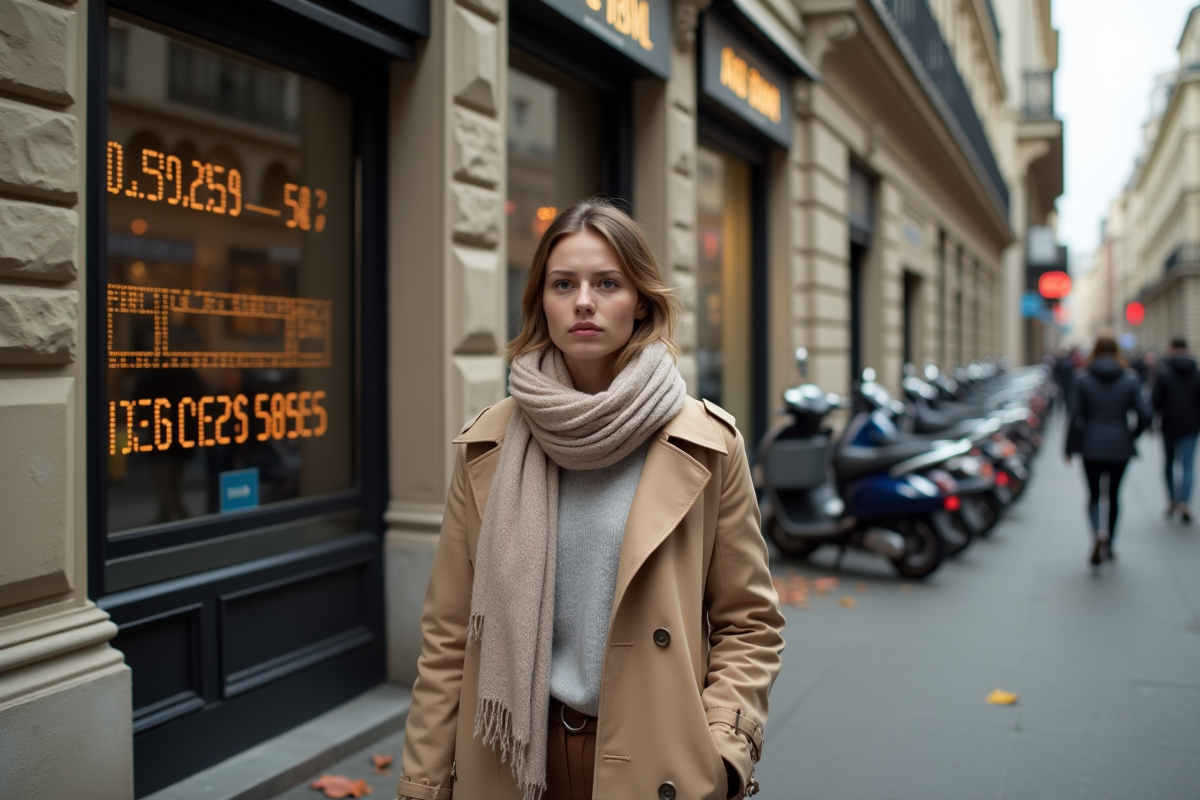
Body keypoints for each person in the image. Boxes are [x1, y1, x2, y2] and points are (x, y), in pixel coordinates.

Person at [397, 198, 785, 800]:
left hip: (658, 760)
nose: (584, 300)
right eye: (563, 284)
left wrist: (723, 753)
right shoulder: (489, 445)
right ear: (541, 304)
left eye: (607, 282)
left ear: (641, 303)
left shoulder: (706, 443)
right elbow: (449, 636)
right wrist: (422, 783)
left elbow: (749, 623)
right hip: (513, 756)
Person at [1065, 335, 1151, 565]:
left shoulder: (1082, 378)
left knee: (1094, 496)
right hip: (1120, 446)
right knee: (1113, 495)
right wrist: (1130, 436)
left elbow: (1074, 416)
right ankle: (1110, 543)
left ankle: (1097, 532)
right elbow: (1144, 415)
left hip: (1091, 445)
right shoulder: (1130, 379)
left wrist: (1069, 448)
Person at [1152, 337, 1200, 522]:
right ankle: (1185, 502)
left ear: (1172, 349)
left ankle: (1172, 499)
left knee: (1169, 463)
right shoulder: (1196, 372)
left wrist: (1153, 421)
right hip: (1191, 425)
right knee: (1187, 464)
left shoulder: (1164, 373)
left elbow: (1156, 401)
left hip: (1169, 425)